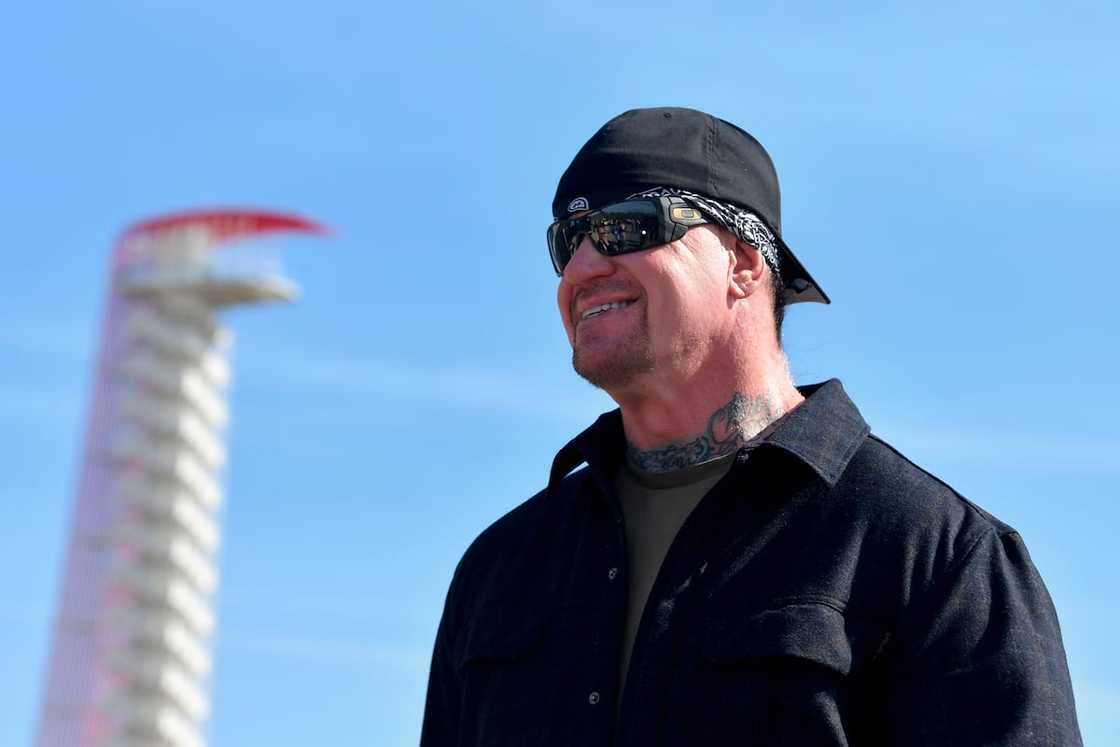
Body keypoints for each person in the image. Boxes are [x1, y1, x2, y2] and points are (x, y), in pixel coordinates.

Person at [419, 107, 1082, 746]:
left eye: (627, 227)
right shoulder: (498, 567)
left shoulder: (935, 554)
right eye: (567, 241)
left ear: (743, 260)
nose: (582, 268)